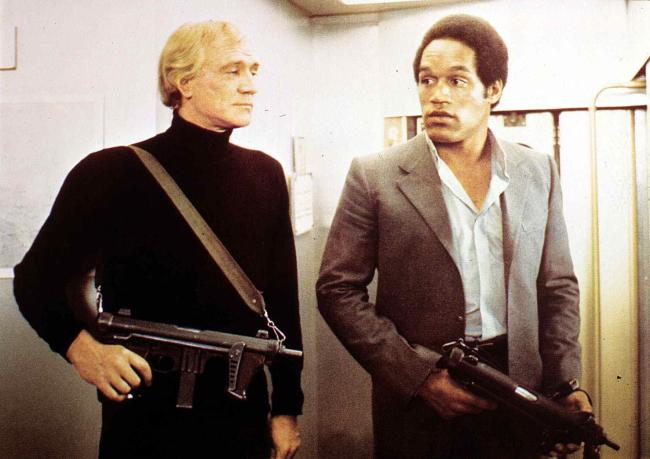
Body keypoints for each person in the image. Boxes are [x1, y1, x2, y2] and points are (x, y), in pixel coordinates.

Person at [14, 20, 302, 459]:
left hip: (240, 412)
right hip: (144, 418)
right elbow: (34, 280)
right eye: (232, 70)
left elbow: (281, 301)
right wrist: (82, 349)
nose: (250, 85)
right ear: (183, 82)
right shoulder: (110, 172)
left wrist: (286, 408)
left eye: (253, 71)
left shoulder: (266, 174)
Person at [316, 14, 591, 459]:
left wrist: (565, 384)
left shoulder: (537, 170)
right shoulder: (375, 175)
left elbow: (557, 287)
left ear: (493, 90)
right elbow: (337, 290)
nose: (437, 95)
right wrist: (419, 377)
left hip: (519, 391)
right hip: (421, 393)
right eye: (427, 80)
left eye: (457, 81)